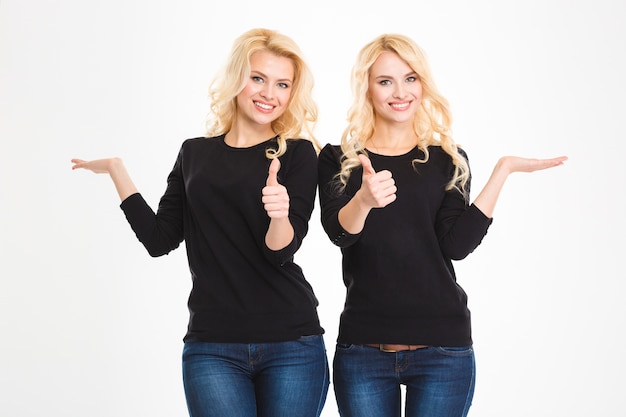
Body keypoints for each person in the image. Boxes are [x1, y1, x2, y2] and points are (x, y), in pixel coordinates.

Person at [72, 28, 329, 417]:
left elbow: (281, 249)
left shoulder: (297, 154)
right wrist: (116, 171)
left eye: (282, 84)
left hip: (291, 341)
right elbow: (159, 240)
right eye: (257, 78)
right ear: (236, 79)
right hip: (212, 346)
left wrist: (279, 214)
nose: (268, 94)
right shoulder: (194, 154)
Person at [317, 33, 567, 417]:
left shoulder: (448, 159)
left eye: (411, 78)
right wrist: (364, 200)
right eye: (385, 81)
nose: (400, 92)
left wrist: (503, 170)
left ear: (423, 84)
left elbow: (456, 246)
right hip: (363, 350)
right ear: (367, 88)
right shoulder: (340, 159)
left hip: (443, 352)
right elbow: (339, 233)